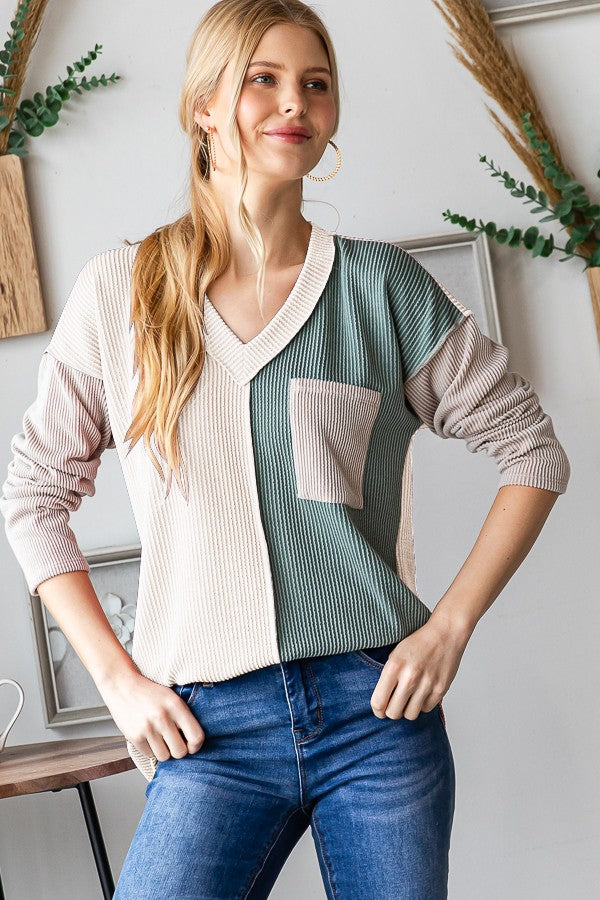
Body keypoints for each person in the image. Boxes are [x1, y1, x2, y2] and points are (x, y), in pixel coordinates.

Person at [0, 1, 571, 897]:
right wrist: (116, 681)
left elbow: (532, 452)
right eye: (261, 79)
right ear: (202, 105)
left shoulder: (382, 288)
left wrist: (450, 626)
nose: (292, 103)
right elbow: (33, 496)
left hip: (377, 717)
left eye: (315, 83)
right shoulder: (122, 293)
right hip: (207, 728)